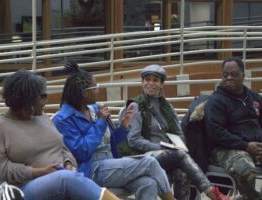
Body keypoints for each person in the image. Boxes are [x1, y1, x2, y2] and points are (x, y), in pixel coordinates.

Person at [0, 70, 119, 200]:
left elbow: (62, 148)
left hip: (63, 177)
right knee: (67, 179)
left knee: (68, 178)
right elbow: (0, 170)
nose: (46, 101)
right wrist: (40, 171)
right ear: (27, 101)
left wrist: (68, 163)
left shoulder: (43, 118)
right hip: (22, 188)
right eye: (43, 96)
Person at [53, 62, 175, 200]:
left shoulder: (93, 109)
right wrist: (99, 123)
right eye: (95, 87)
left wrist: (122, 128)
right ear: (84, 93)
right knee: (149, 162)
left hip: (110, 163)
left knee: (148, 183)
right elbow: (81, 152)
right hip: (91, 168)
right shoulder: (63, 119)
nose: (98, 90)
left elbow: (111, 143)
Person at [127, 64, 230, 200]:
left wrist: (177, 144)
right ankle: (212, 192)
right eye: (147, 80)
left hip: (168, 154)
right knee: (180, 155)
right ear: (142, 82)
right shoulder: (136, 106)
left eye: (155, 80)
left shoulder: (167, 107)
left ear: (161, 84)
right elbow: (133, 140)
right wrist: (161, 147)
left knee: (183, 173)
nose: (150, 83)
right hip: (145, 157)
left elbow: (179, 133)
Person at [205, 57, 262, 200]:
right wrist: (246, 146)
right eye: (225, 75)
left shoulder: (254, 97)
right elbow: (215, 133)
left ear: (243, 75)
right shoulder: (216, 101)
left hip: (256, 146)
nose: (229, 78)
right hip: (226, 148)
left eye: (234, 74)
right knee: (247, 172)